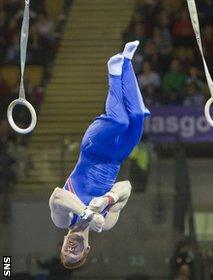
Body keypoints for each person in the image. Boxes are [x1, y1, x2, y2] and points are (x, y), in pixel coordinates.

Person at [49, 41, 150, 269]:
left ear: (63, 243)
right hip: (116, 157)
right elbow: (126, 187)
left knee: (119, 120)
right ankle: (126, 63)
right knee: (136, 118)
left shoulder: (62, 220)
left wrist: (87, 213)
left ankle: (114, 73)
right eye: (75, 255)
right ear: (87, 249)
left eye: (66, 252)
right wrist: (107, 200)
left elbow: (57, 196)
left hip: (92, 150)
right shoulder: (106, 223)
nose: (71, 250)